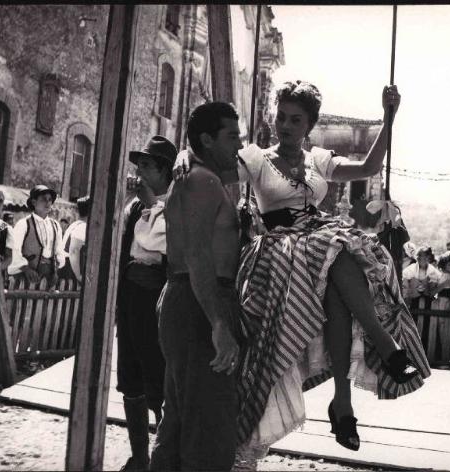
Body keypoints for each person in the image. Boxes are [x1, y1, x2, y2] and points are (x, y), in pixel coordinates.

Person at [176, 82, 430, 460]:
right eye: (281, 117)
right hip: (281, 250)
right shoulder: (257, 159)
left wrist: (389, 119)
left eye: (296, 120)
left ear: (310, 125)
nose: (286, 126)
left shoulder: (319, 160)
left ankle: (343, 403)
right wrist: (185, 155)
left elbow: (369, 167)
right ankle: (381, 351)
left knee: (340, 280)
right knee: (338, 249)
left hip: (320, 246)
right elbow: (213, 160)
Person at [150, 103, 242, 471]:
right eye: (232, 136)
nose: (239, 144)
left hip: (188, 299)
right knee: (207, 429)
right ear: (207, 138)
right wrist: (218, 323)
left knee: (179, 420)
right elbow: (198, 255)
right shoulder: (202, 180)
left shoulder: (200, 175)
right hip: (199, 301)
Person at [117, 136, 176, 471]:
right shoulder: (136, 205)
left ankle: (163, 451)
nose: (139, 172)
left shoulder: (174, 204)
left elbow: (159, 241)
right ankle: (139, 454)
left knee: (158, 371)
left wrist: (152, 202)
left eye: (147, 166)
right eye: (138, 165)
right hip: (131, 294)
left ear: (164, 171)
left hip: (159, 296)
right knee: (130, 372)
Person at [8, 185, 66, 287]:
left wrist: (55, 271)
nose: (48, 203)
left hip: (47, 279)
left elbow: (59, 252)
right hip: (25, 278)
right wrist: (25, 268)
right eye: (43, 199)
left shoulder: (55, 226)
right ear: (34, 202)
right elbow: (14, 250)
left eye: (50, 200)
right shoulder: (24, 224)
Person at [59, 195, 90, 283]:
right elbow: (74, 251)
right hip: (70, 269)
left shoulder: (75, 224)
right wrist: (78, 275)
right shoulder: (83, 227)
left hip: (68, 266)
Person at [402, 246, 441, 311]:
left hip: (428, 303)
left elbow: (438, 285)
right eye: (417, 255)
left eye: (420, 255)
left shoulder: (433, 271)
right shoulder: (410, 269)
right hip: (412, 302)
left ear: (427, 257)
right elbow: (404, 284)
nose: (418, 257)